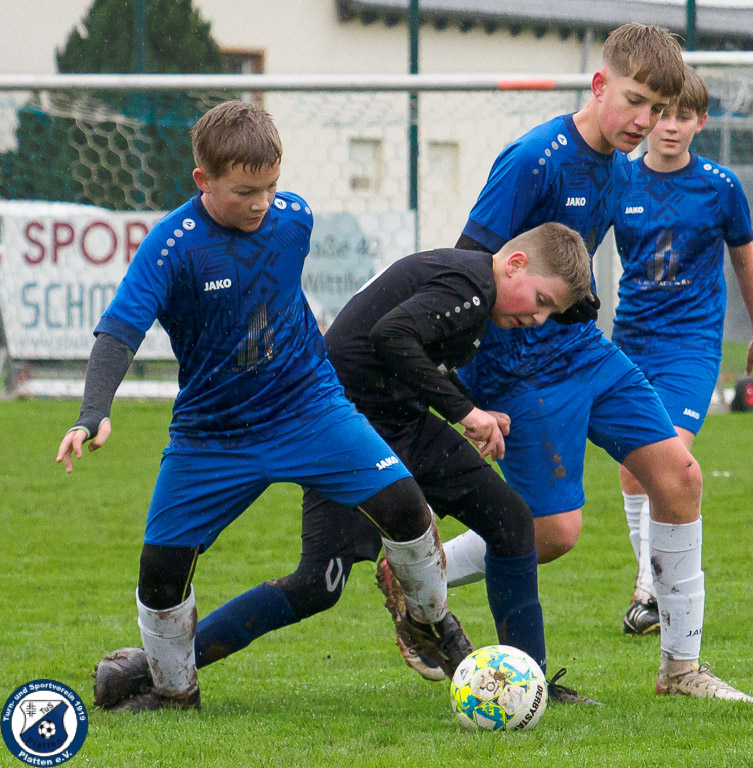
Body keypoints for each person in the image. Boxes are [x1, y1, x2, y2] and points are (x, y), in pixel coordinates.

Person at [60, 100, 471, 713]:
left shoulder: (294, 220)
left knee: (407, 508)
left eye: (272, 186)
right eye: (245, 191)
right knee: (161, 572)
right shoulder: (172, 247)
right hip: (213, 433)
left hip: (309, 408)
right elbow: (119, 331)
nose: (262, 203)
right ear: (203, 180)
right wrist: (92, 411)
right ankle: (175, 694)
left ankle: (431, 623)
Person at [90, 222, 599, 708]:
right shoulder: (469, 286)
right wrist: (467, 411)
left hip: (402, 420)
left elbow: (410, 354)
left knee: (511, 521)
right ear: (514, 264)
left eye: (551, 311)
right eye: (541, 302)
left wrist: (469, 402)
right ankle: (152, 669)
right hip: (349, 430)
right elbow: (391, 336)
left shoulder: (473, 285)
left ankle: (527, 682)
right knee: (318, 585)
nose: (539, 319)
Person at [422, 23, 753, 701]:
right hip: (515, 364)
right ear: (600, 84)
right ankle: (418, 578)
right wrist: (463, 388)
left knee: (680, 478)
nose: (645, 121)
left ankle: (681, 671)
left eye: (658, 109)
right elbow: (467, 269)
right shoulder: (534, 159)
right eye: (635, 101)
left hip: (583, 350)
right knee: (553, 534)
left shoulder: (618, 168)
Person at [612, 65, 753, 637]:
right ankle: (648, 587)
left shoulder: (720, 186)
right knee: (633, 472)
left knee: (667, 458)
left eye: (683, 116)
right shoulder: (620, 179)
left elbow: (745, 261)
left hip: (691, 344)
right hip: (631, 340)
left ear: (701, 122)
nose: (670, 126)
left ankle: (650, 592)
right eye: (662, 114)